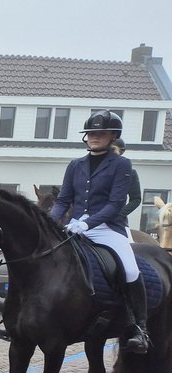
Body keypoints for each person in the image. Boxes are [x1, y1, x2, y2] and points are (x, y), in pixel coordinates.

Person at [50, 110, 149, 354]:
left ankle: (139, 327)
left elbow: (116, 203)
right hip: (73, 225)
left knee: (130, 268)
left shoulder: (122, 165)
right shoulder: (75, 165)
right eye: (91, 133)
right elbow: (63, 200)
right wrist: (50, 222)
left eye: (100, 133)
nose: (94, 137)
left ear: (112, 136)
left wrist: (88, 223)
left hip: (105, 227)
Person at [116, 139, 142, 217]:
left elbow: (136, 199)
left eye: (113, 150)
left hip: (115, 219)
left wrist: (120, 214)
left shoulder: (130, 173)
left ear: (121, 151)